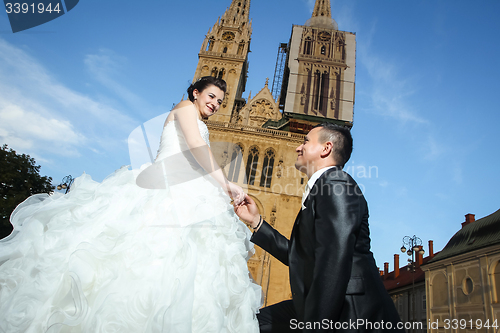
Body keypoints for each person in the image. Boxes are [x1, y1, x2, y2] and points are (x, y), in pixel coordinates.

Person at [0, 76, 261, 332]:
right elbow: (194, 145)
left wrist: (222, 185)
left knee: (176, 265)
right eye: (211, 96)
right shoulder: (184, 108)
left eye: (220, 101)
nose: (215, 104)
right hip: (164, 186)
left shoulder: (199, 120)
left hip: (188, 189)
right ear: (196, 93)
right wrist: (226, 183)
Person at [235, 123, 404, 332]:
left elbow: (334, 261)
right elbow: (301, 258)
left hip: (351, 312)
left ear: (326, 148)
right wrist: (256, 222)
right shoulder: (324, 187)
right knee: (250, 323)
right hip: (326, 303)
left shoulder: (337, 184)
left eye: (306, 141)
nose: (298, 147)